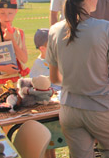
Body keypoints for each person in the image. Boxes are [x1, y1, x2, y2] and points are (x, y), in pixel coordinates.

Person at [47, 0, 109, 158]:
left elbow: (54, 78)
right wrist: (102, 88)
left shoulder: (54, 30)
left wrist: (76, 83)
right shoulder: (104, 28)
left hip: (69, 109)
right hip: (100, 108)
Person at [29, 28, 62, 158]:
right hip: (46, 107)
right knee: (48, 141)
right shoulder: (39, 64)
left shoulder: (56, 60)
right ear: (42, 48)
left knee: (55, 139)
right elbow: (36, 85)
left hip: (58, 105)